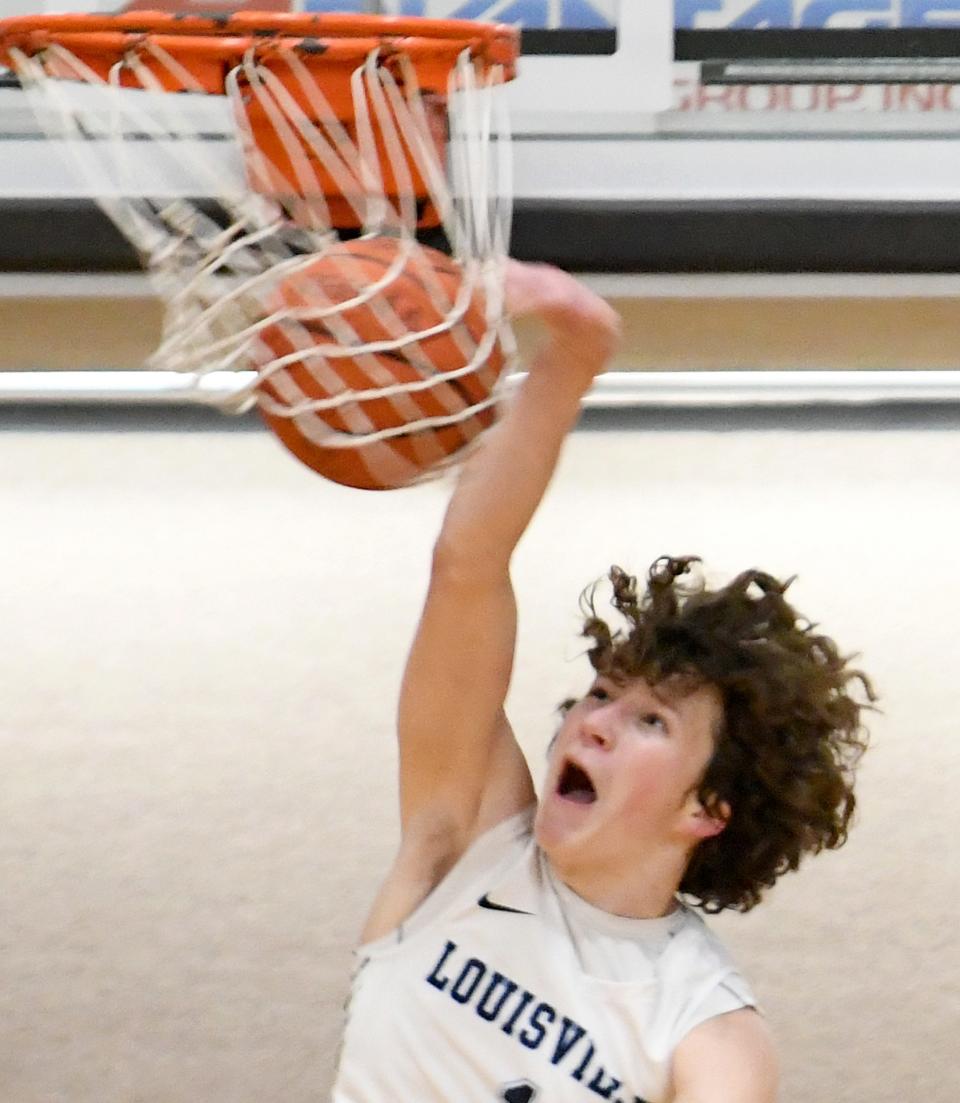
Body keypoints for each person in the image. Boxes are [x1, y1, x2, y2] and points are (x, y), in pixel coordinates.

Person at [331, 261, 874, 1103]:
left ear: (708, 808)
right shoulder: (465, 839)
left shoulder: (708, 1032)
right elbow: (467, 563)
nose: (593, 722)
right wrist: (572, 358)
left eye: (651, 721)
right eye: (599, 692)